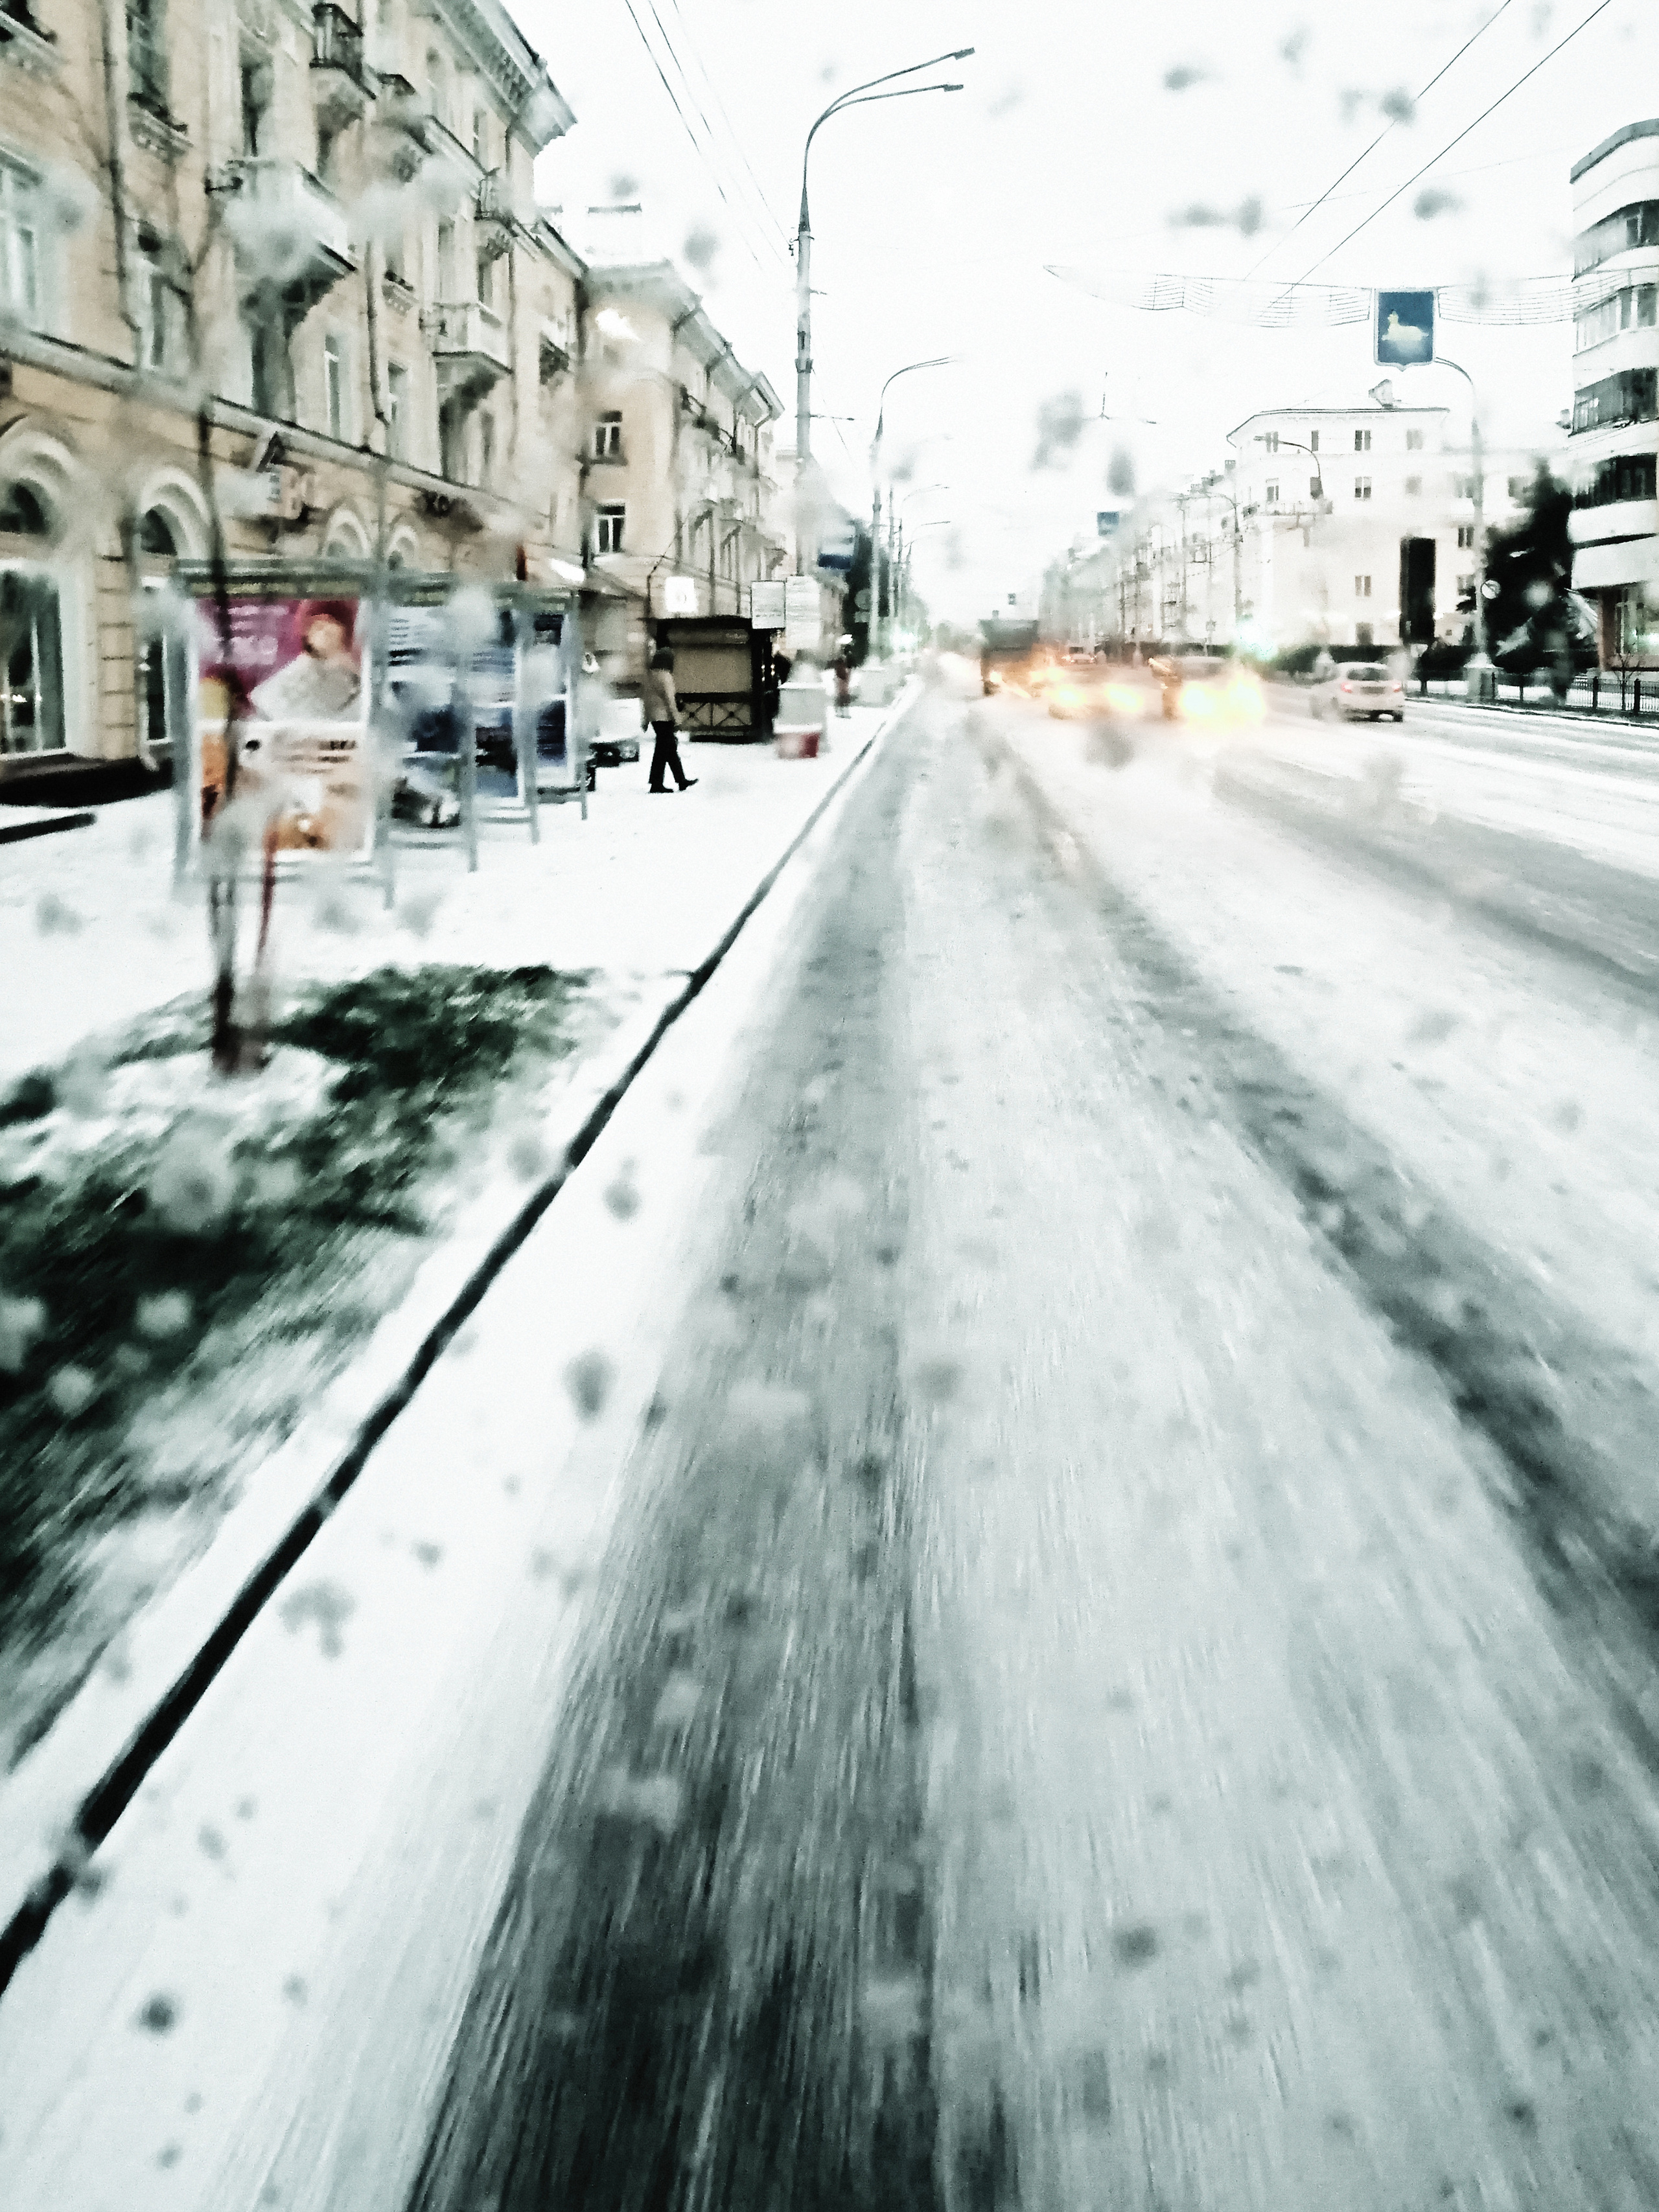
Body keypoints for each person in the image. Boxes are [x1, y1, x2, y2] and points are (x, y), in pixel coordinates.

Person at [641, 645, 696, 793]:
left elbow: (645, 700)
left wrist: (645, 720)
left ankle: (681, 780)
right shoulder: (665, 676)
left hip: (654, 719)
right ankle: (656, 783)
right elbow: (670, 700)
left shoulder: (649, 676)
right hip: (665, 718)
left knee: (669, 749)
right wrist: (677, 719)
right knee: (663, 751)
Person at [831, 649, 853, 718]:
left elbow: (838, 680)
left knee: (840, 701)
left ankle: (839, 713)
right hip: (845, 690)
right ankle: (844, 713)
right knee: (845, 702)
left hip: (840, 690)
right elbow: (847, 679)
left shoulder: (838, 670)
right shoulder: (844, 670)